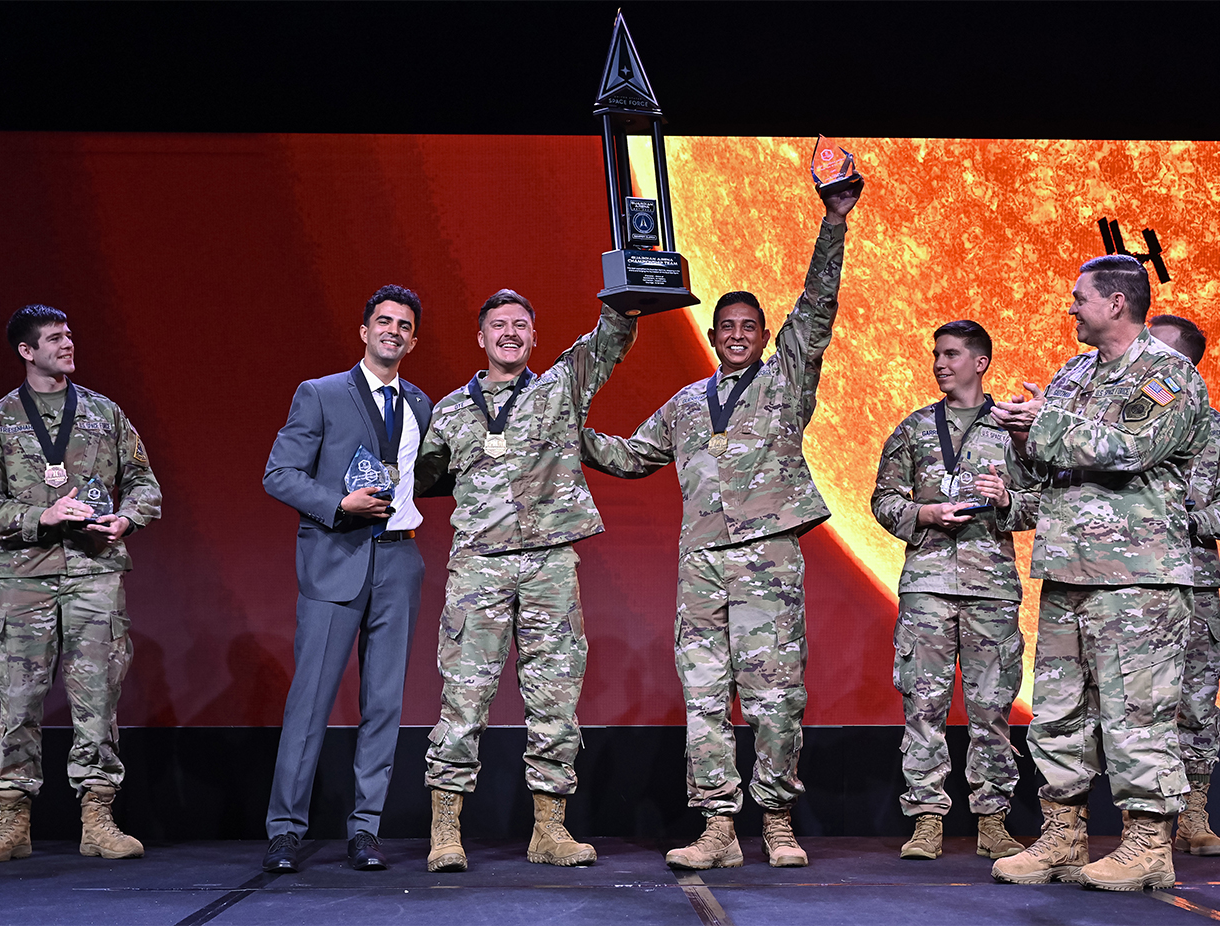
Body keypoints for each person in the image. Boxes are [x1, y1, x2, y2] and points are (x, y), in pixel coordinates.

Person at [580, 182, 860, 869]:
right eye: (727, 328)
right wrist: (571, 432)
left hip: (766, 559)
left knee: (775, 696)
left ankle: (778, 821)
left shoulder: (785, 382)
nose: (737, 335)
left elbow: (817, 306)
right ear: (713, 338)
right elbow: (631, 456)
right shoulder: (684, 403)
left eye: (748, 328)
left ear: (764, 339)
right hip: (702, 566)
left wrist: (834, 221)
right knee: (705, 699)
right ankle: (716, 829)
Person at [988, 255, 1211, 891]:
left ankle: (1147, 844)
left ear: (1117, 303)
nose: (1071, 307)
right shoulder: (1076, 372)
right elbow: (1048, 462)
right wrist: (1021, 433)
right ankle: (1062, 835)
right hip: (1068, 567)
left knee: (1137, 712)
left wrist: (1047, 424)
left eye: (1080, 297)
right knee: (1060, 709)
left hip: (1136, 576)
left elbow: (1130, 448)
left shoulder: (1168, 375)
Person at [415, 289, 636, 872]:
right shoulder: (448, 412)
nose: (509, 333)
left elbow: (607, 344)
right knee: (462, 699)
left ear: (534, 337)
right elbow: (423, 476)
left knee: (555, 698)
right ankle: (445, 832)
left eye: (520, 325)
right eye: (498, 325)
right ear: (481, 338)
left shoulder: (559, 388)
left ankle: (549, 831)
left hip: (548, 567)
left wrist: (627, 296)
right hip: (478, 567)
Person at [0, 304, 162, 863]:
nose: (67, 344)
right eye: (54, 338)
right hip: (23, 580)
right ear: (26, 351)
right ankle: (11, 823)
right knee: (19, 700)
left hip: (95, 573)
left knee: (97, 699)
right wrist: (41, 517)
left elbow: (145, 483)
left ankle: (97, 818)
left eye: (69, 335)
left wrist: (127, 518)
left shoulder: (104, 413)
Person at [261, 285, 434, 873]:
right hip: (337, 555)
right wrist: (340, 503)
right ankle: (285, 830)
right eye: (383, 321)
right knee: (309, 701)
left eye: (404, 325)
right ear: (364, 332)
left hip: (399, 561)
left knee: (384, 703)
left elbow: (427, 476)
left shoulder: (421, 403)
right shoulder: (321, 393)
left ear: (414, 338)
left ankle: (366, 829)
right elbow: (279, 474)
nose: (393, 331)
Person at [871, 320, 1039, 861]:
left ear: (980, 362)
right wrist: (922, 512)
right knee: (924, 704)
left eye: (951, 354)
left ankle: (992, 819)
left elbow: (1047, 502)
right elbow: (883, 500)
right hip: (928, 583)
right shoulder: (915, 428)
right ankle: (926, 818)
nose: (940, 363)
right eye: (936, 354)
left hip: (991, 587)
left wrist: (1008, 500)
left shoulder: (1014, 428)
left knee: (991, 705)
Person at [1147, 314, 1220, 857]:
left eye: (1159, 350)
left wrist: (1184, 520)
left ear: (1186, 364)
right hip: (1134, 584)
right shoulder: (1130, 424)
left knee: (1195, 702)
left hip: (1194, 581)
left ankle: (1193, 812)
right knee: (1133, 703)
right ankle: (1141, 820)